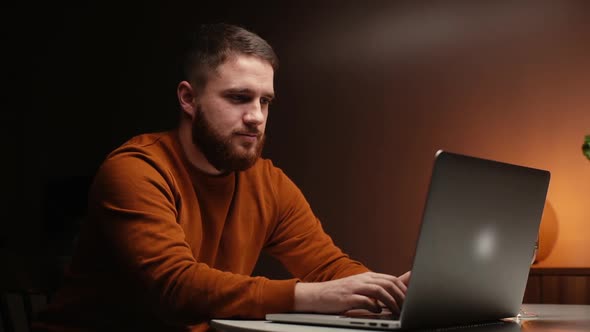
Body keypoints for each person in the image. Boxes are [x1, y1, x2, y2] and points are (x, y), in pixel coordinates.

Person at [33, 23, 410, 332]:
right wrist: (312, 296)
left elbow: (328, 267)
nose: (257, 117)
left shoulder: (268, 182)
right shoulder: (135, 169)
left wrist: (386, 292)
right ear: (188, 98)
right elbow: (176, 287)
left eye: (265, 101)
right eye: (238, 98)